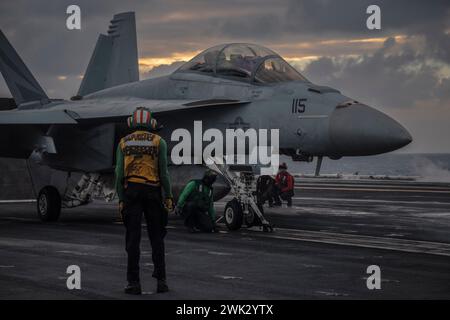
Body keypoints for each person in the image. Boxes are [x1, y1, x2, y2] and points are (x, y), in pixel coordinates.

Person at [115, 107, 173, 295]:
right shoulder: (159, 141)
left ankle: (133, 283)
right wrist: (169, 195)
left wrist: (121, 199)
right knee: (157, 238)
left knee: (133, 240)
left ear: (132, 122)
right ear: (151, 123)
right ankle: (161, 281)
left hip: (131, 192)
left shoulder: (123, 142)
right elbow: (164, 173)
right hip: (153, 192)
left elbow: (118, 174)